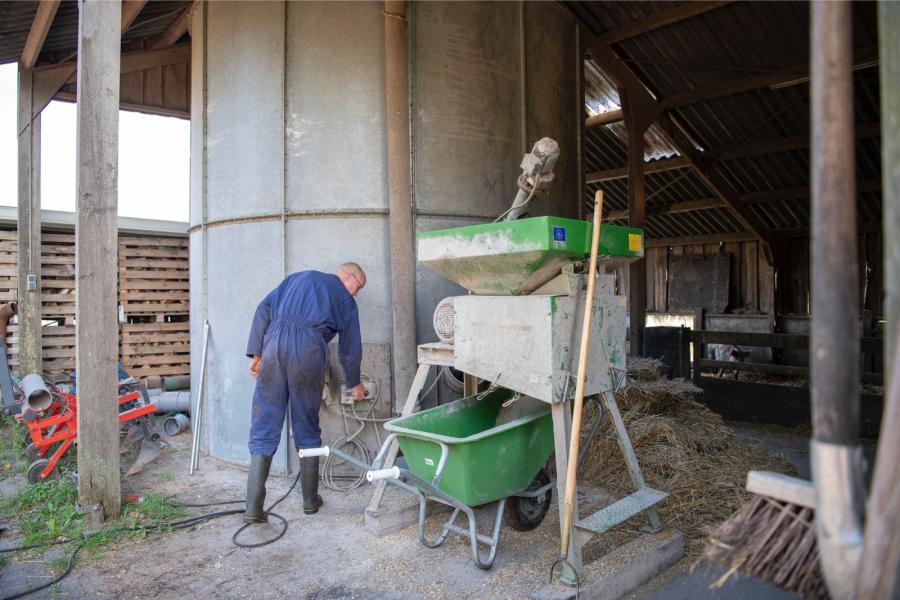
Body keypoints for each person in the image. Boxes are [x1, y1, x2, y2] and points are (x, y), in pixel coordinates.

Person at [243, 262, 367, 523]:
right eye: (358, 287)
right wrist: (354, 382)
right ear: (348, 275)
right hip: (308, 350)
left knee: (265, 420)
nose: (356, 294)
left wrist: (257, 353)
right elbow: (350, 347)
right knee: (306, 422)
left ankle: (253, 508)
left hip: (273, 345)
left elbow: (263, 309)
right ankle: (310, 501)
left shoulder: (296, 278)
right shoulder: (345, 299)